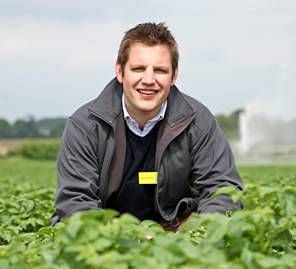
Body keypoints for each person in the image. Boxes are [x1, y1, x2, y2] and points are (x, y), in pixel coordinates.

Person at [52, 22, 243, 230]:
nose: (149, 80)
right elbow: (74, 202)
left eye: (160, 70)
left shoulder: (199, 122)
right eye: (138, 69)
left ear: (174, 75)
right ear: (120, 71)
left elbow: (223, 192)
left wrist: (190, 235)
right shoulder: (85, 126)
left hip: (177, 236)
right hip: (107, 237)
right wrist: (119, 239)